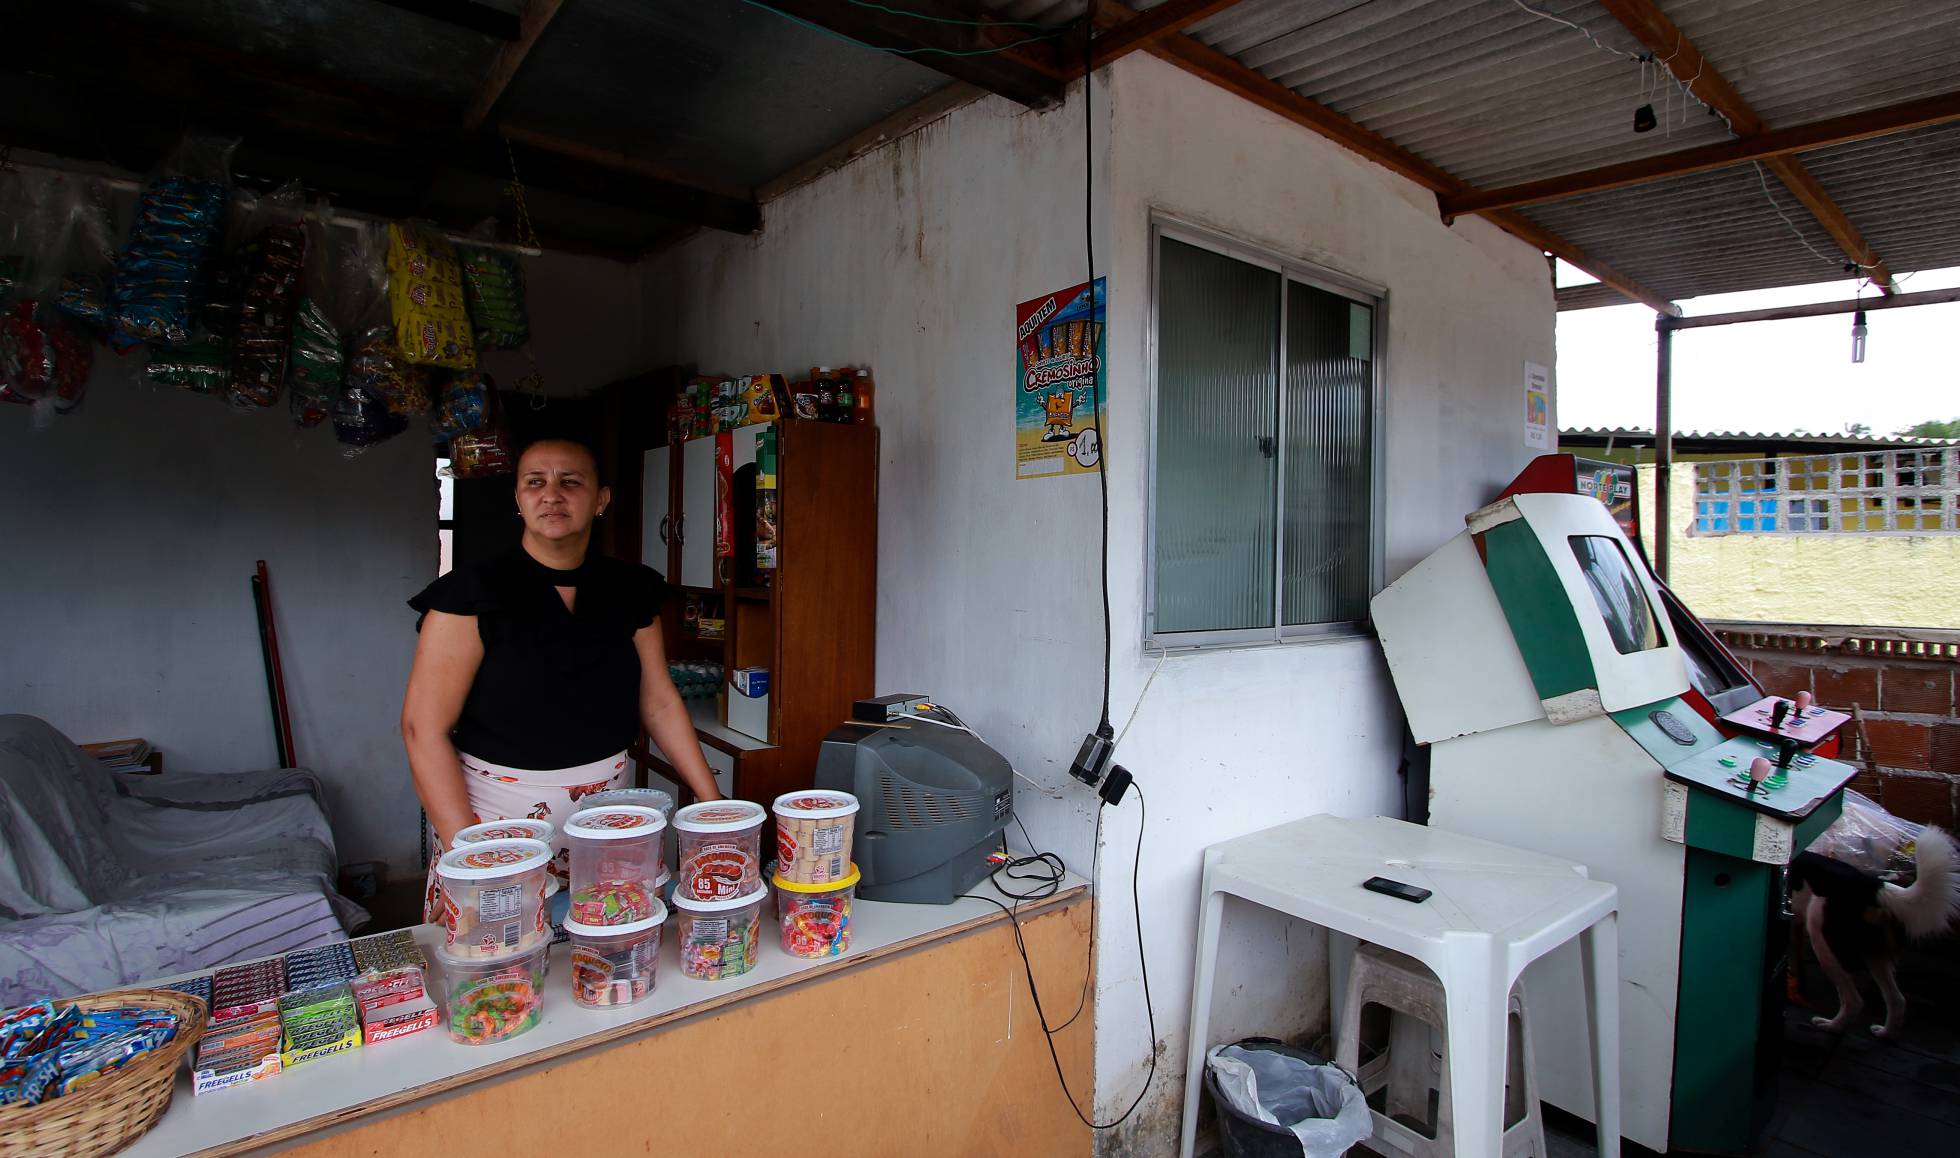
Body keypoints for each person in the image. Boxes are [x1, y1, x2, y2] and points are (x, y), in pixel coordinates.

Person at [401, 438, 721, 917]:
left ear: (601, 500)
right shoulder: (470, 594)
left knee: (614, 954)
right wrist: (469, 851)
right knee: (507, 962)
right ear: (518, 499)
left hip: (611, 815)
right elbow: (422, 730)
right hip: (493, 818)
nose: (551, 494)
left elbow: (658, 702)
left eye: (570, 482)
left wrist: (711, 806)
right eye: (536, 482)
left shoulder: (632, 590)